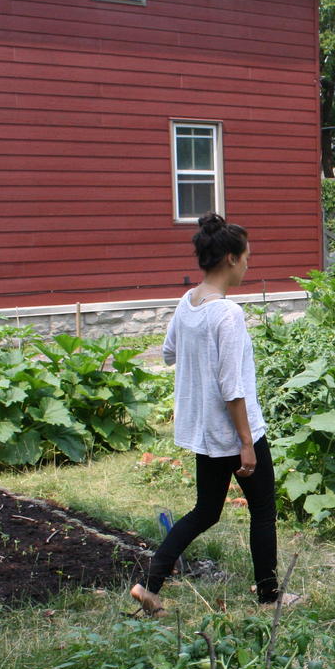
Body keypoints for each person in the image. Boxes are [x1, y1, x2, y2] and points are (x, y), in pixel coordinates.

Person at [130, 213, 292, 615]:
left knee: (205, 511)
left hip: (204, 433)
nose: (249, 264)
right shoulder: (228, 314)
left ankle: (149, 585)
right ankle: (271, 596)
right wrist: (246, 444)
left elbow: (168, 353)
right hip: (236, 433)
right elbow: (232, 388)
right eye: (247, 257)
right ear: (231, 260)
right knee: (264, 514)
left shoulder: (188, 303)